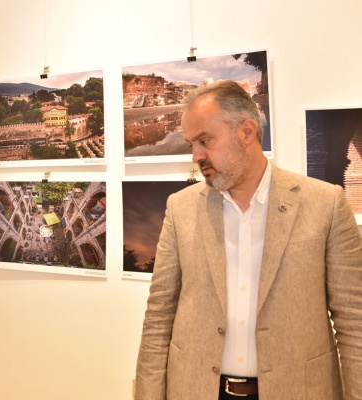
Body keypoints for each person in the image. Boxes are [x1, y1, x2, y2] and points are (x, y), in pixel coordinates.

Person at [135, 80, 362, 400]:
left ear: (246, 131)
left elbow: (354, 323)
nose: (196, 156)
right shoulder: (181, 208)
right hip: (198, 389)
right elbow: (158, 318)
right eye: (191, 144)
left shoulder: (325, 204)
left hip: (298, 390)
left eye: (205, 140)